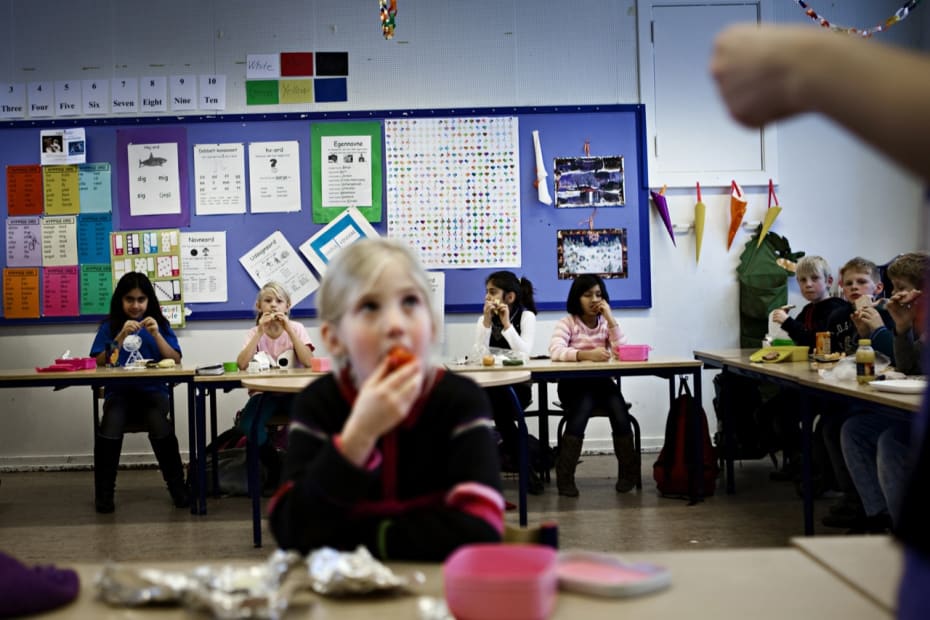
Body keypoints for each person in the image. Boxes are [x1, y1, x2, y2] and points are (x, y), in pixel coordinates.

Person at [711, 24, 930, 617]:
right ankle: (870, 514)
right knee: (826, 419)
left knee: (840, 423)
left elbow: (880, 359)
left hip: (871, 390)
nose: (824, 290)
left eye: (873, 286)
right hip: (863, 391)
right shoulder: (828, 311)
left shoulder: (851, 310)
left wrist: (811, 65)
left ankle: (862, 512)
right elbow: (819, 347)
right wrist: (787, 324)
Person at [269, 238, 504, 560]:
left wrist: (358, 536)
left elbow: (482, 528)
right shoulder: (319, 403)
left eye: (410, 302)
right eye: (369, 306)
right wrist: (359, 435)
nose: (395, 325)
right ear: (334, 339)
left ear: (432, 327)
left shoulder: (459, 400)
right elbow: (293, 530)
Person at [840, 252, 929, 533]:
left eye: (902, 288)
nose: (896, 295)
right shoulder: (912, 317)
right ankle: (879, 517)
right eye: (894, 287)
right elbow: (908, 365)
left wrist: (881, 329)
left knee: (892, 441)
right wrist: (902, 328)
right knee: (854, 428)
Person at [88, 272, 186, 513]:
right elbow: (101, 362)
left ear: (149, 300)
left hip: (153, 394)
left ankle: (178, 489)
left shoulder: (159, 325)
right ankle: (104, 494)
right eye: (129, 299)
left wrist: (156, 335)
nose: (135, 305)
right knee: (111, 421)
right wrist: (120, 336)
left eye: (141, 299)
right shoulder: (109, 327)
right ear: (120, 301)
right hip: (118, 394)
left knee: (157, 421)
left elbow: (175, 359)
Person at [548, 273, 637, 497]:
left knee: (619, 411)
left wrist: (611, 318)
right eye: (587, 295)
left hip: (601, 384)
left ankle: (628, 473)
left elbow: (622, 352)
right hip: (573, 386)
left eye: (598, 294)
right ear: (576, 298)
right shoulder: (567, 323)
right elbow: (556, 351)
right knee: (584, 404)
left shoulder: (605, 324)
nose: (593, 299)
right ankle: (565, 475)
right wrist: (586, 355)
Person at [235, 282, 315, 489]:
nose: (273, 306)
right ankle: (275, 466)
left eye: (279, 301)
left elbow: (308, 362)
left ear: (287, 306)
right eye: (268, 301)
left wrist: (289, 328)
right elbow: (242, 365)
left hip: (293, 393)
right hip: (264, 394)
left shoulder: (297, 328)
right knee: (249, 425)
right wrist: (260, 332)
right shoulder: (254, 332)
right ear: (259, 306)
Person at [473, 271, 543, 493]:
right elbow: (477, 356)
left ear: (510, 297)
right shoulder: (484, 319)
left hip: (518, 388)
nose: (487, 297)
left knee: (502, 411)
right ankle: (527, 471)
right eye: (486, 292)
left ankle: (524, 470)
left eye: (492, 292)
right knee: (498, 411)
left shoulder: (526, 317)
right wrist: (486, 322)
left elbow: (524, 354)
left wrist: (506, 324)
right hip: (492, 388)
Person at [771, 255, 845, 349]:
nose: (808, 284)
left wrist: (787, 322)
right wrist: (786, 321)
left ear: (829, 281)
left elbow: (818, 342)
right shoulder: (807, 310)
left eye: (814, 278)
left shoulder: (837, 308)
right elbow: (799, 338)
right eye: (803, 280)